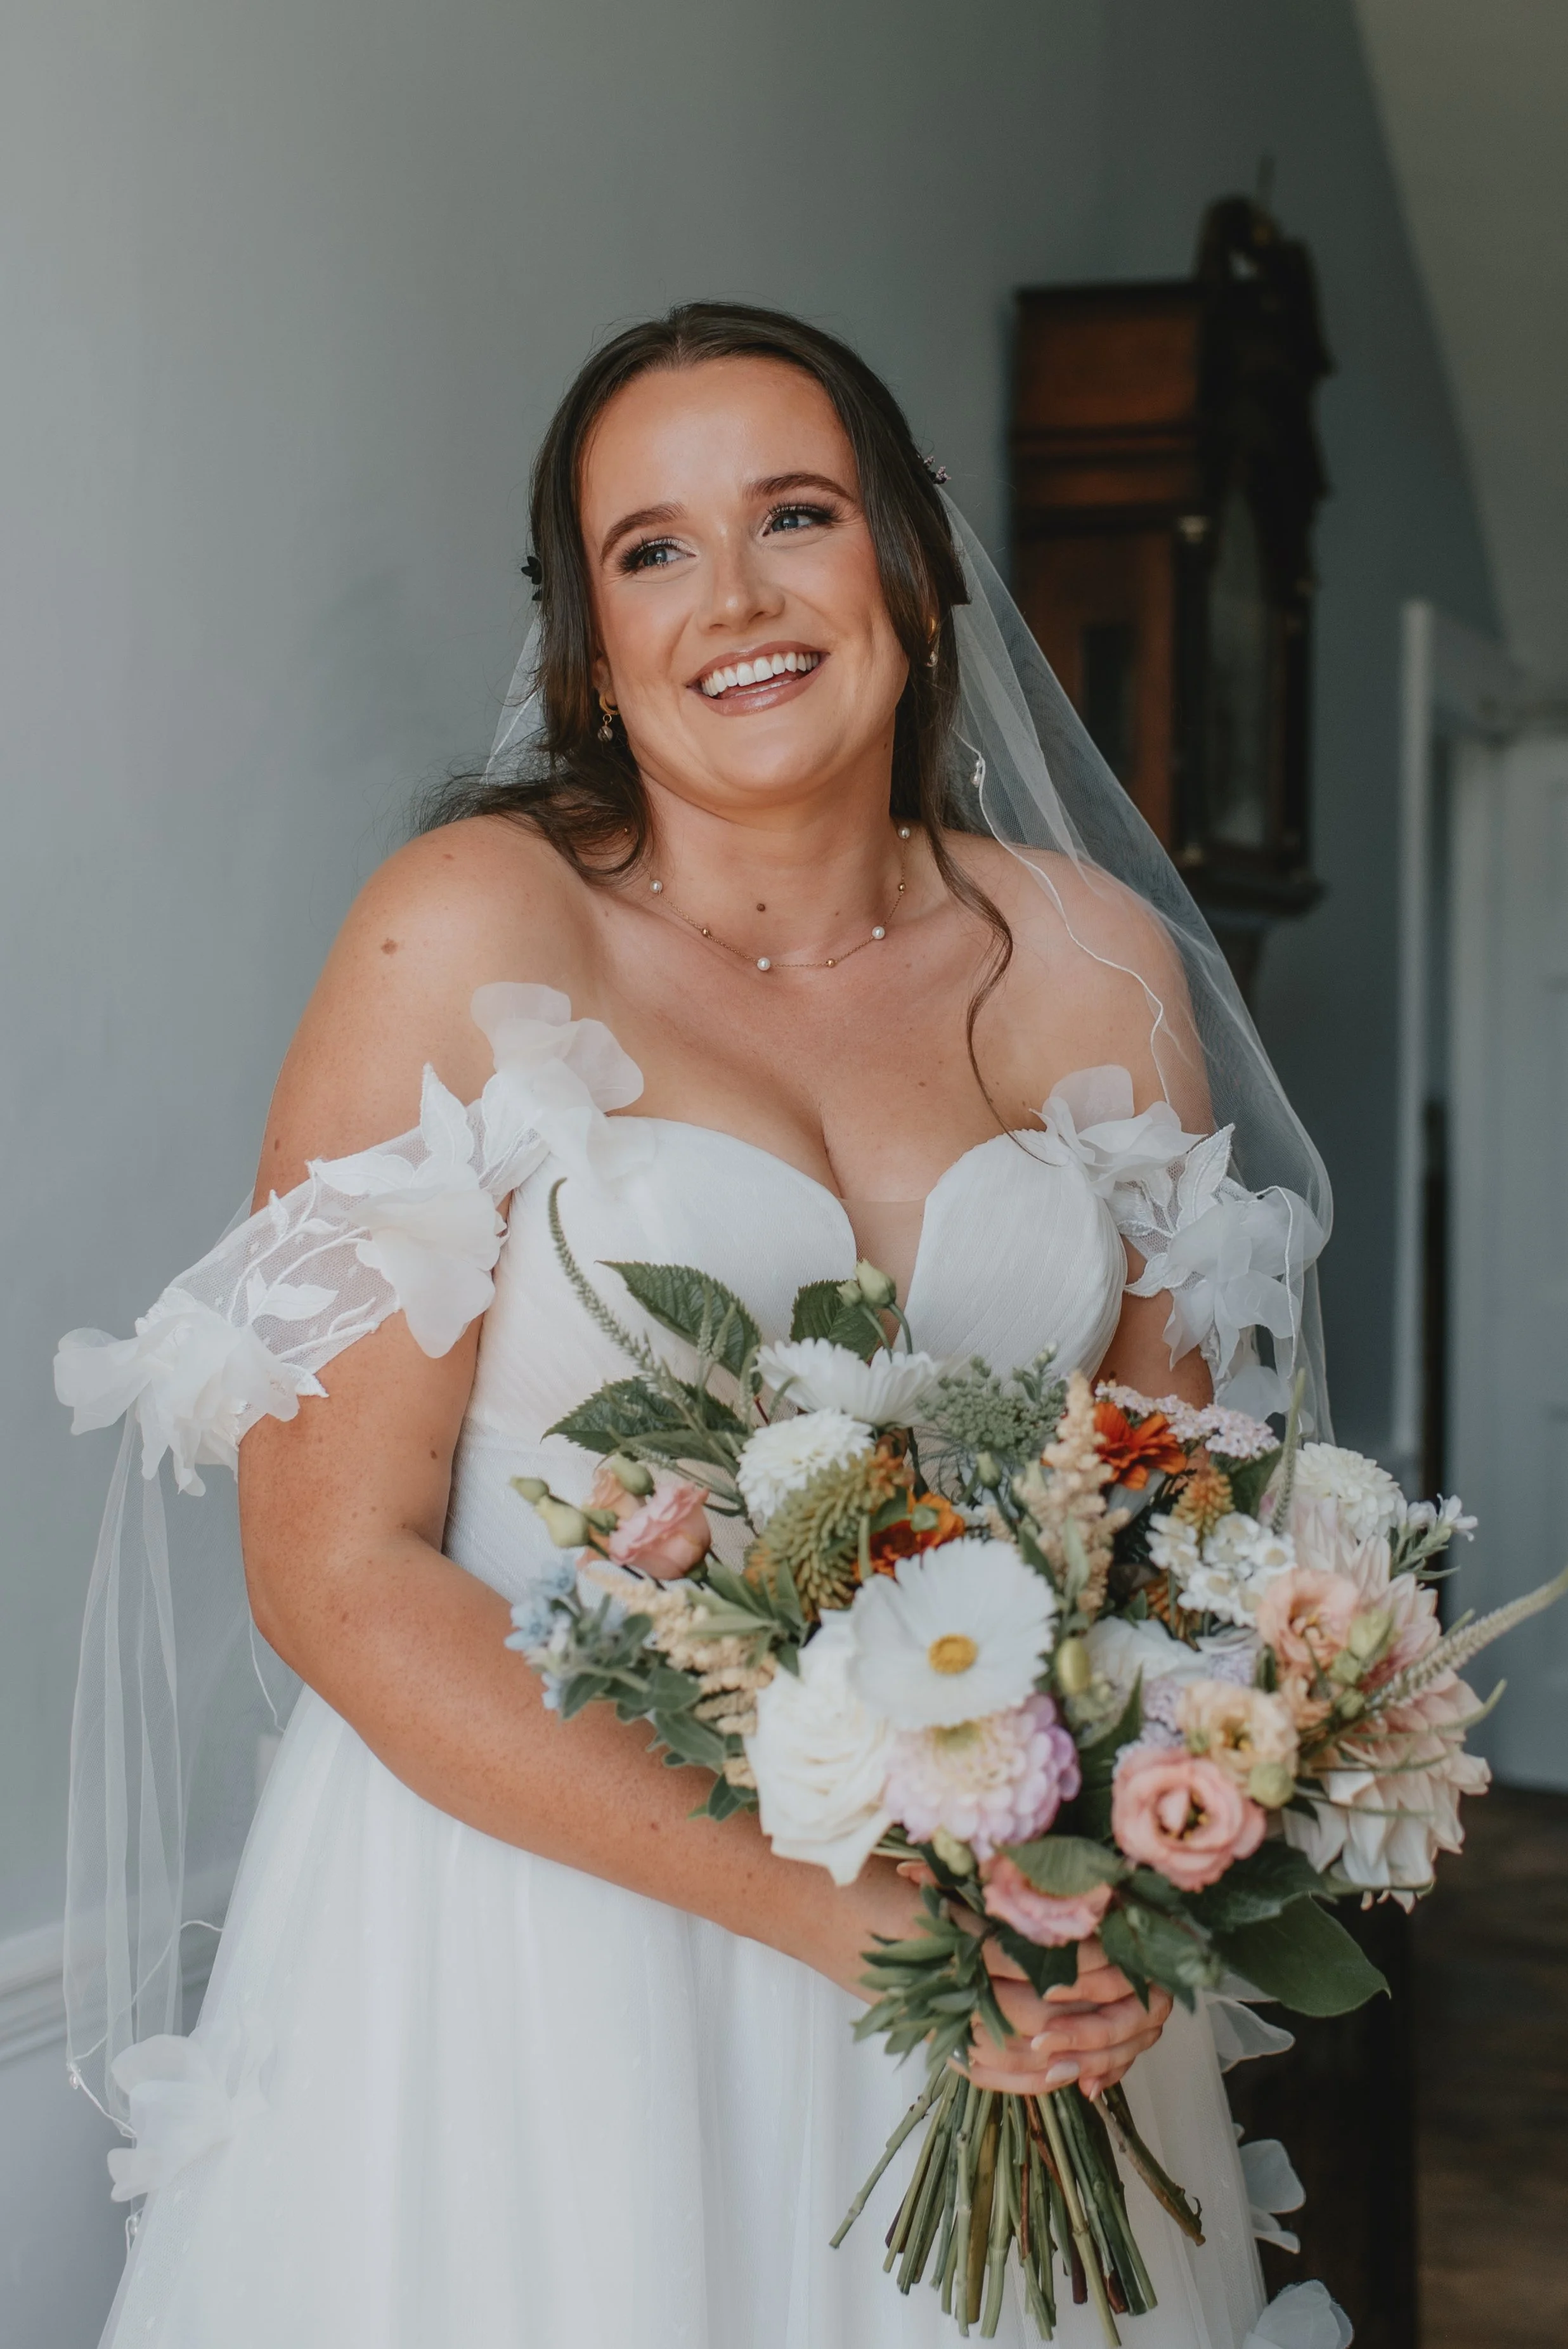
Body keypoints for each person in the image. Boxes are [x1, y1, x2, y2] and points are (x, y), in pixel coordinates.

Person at [59, 304, 1333, 2346]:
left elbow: (1175, 1517)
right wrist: (846, 1912)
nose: (734, 598)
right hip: (542, 1966)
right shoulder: (467, 928)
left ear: (909, 566)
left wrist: (1129, 1861)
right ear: (588, 638)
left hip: (1007, 1932)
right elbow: (333, 1571)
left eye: (795, 515)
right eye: (652, 548)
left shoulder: (1099, 973)